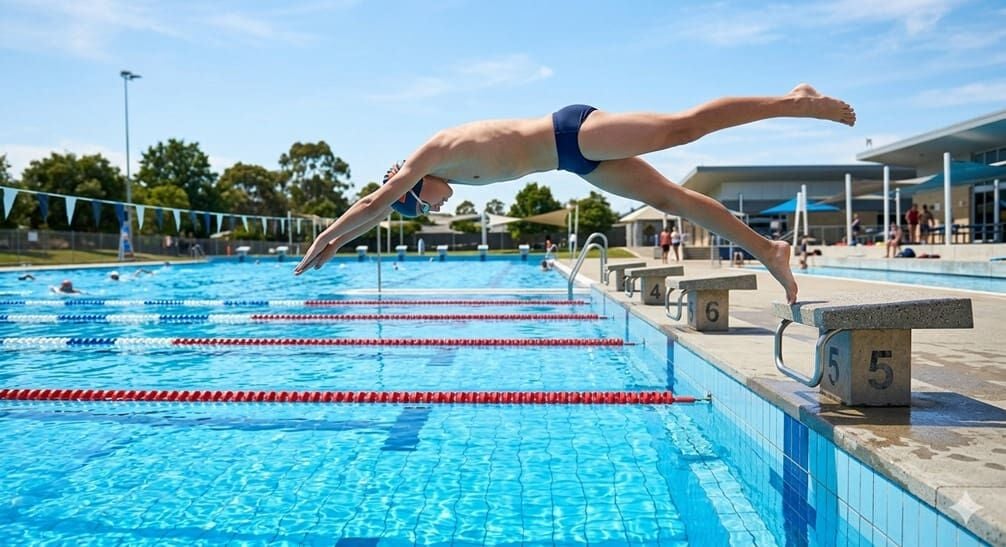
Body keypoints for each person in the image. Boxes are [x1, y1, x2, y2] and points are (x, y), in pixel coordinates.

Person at [295, 84, 857, 304]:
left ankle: (793, 100)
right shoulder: (440, 177)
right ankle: (770, 251)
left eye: (422, 203)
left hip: (572, 131)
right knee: (674, 201)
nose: (433, 208)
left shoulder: (433, 153)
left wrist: (327, 235)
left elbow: (373, 203)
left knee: (679, 128)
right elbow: (378, 212)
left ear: (414, 183)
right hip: (575, 163)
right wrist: (342, 244)